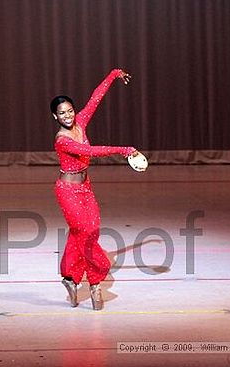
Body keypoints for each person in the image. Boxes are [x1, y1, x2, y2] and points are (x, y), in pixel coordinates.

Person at [50, 68, 138, 310]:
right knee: (84, 233)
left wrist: (114, 74)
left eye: (69, 111)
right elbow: (89, 152)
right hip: (67, 190)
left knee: (90, 231)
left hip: (85, 187)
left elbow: (95, 98)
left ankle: (70, 277)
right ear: (55, 117)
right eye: (62, 113)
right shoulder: (62, 139)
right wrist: (123, 150)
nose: (67, 116)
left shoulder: (81, 121)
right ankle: (96, 280)